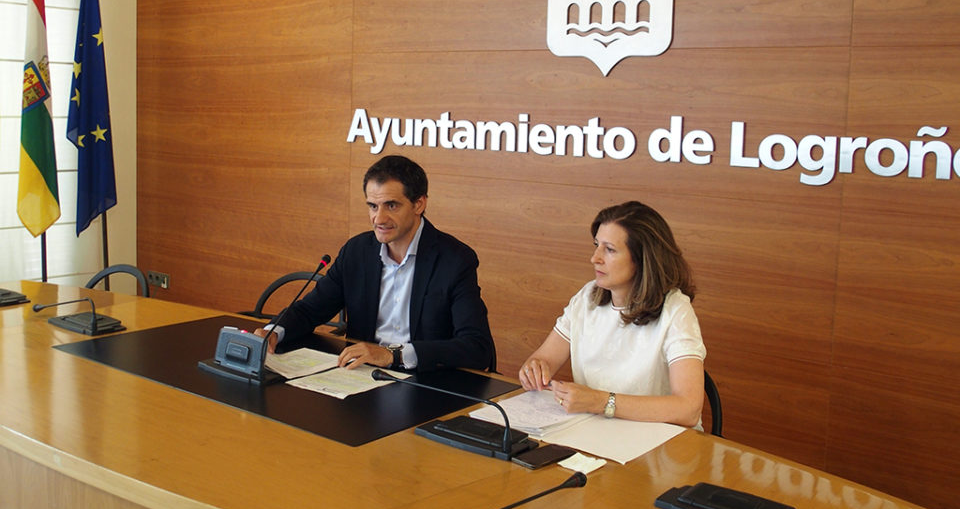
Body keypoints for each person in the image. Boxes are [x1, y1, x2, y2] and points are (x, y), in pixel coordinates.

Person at [255, 155, 496, 372]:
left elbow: (476, 347)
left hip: (426, 382)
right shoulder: (357, 252)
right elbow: (310, 310)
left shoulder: (454, 259)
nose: (379, 219)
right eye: (373, 206)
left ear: (419, 204)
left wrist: (394, 355)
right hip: (361, 379)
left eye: (391, 205)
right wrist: (273, 332)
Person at [518, 201, 706, 428]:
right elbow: (544, 358)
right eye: (596, 245)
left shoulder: (675, 310)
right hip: (597, 433)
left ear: (642, 259)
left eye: (609, 249)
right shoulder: (587, 296)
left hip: (659, 444)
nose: (595, 258)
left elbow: (688, 409)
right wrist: (534, 369)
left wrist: (600, 402)